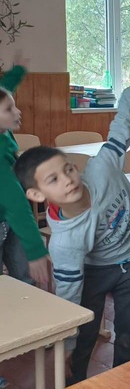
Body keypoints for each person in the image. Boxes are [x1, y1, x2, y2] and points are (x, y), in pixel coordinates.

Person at [14, 50, 130, 384]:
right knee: (83, 335)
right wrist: (65, 347)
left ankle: (125, 380)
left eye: (67, 169)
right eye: (53, 180)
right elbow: (69, 295)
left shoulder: (103, 168)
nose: (67, 180)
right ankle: (76, 380)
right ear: (37, 195)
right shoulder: (66, 243)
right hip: (95, 271)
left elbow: (121, 124)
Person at [0, 55, 50, 290]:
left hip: (10, 219)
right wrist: (36, 250)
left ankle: (26, 292)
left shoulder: (3, 129)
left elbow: (4, 89)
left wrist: (18, 71)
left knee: (24, 278)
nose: (17, 112)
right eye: (9, 109)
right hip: (8, 214)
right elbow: (17, 204)